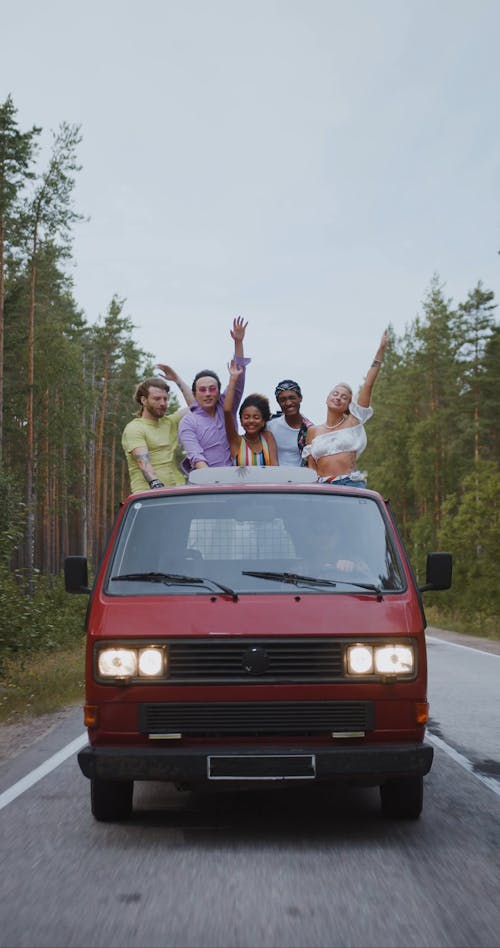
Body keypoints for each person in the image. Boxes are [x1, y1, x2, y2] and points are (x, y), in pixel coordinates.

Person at [302, 330, 389, 487]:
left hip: (350, 484)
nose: (338, 397)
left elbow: (368, 384)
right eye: (335, 393)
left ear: (349, 405)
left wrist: (380, 351)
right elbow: (311, 466)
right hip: (322, 486)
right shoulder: (313, 431)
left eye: (344, 397)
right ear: (327, 398)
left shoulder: (353, 422)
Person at [178, 317, 250, 470]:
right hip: (207, 484)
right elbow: (195, 455)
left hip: (237, 478)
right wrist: (213, 482)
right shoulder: (188, 422)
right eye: (202, 390)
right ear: (195, 394)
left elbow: (238, 377)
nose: (208, 394)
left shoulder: (226, 407)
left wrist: (238, 342)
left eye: (212, 389)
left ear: (218, 392)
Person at [122, 366, 195, 493]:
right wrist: (156, 485)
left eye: (165, 399)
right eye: (157, 399)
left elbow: (196, 407)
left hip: (178, 491)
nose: (163, 403)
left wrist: (177, 380)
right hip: (149, 495)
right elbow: (143, 462)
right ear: (144, 400)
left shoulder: (170, 422)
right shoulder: (134, 428)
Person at [223, 361, 278, 466]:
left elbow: (275, 467)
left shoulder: (267, 437)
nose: (251, 421)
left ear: (263, 421)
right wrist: (233, 379)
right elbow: (227, 411)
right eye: (246, 417)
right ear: (241, 421)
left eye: (256, 417)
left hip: (267, 482)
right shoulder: (236, 441)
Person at [266, 380, 313, 466]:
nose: (288, 403)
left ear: (300, 398)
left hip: (302, 477)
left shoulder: (309, 429)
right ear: (278, 402)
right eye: (283, 400)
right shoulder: (270, 426)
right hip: (274, 477)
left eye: (292, 398)